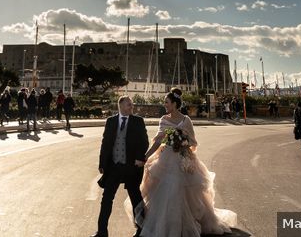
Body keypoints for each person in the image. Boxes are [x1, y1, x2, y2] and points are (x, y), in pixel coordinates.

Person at [132, 91, 237, 236]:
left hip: (182, 158)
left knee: (184, 193)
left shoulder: (186, 120)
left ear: (174, 104)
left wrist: (182, 143)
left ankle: (186, 225)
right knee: (167, 192)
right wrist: (145, 157)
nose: (165, 105)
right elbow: (157, 142)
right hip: (166, 159)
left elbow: (193, 142)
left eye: (167, 102)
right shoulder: (163, 119)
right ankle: (168, 226)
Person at [95, 96, 149, 237]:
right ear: (120, 106)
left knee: (136, 198)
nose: (132, 107)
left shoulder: (138, 121)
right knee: (106, 199)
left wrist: (140, 158)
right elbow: (105, 143)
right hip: (114, 166)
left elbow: (144, 142)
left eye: (132, 105)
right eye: (128, 105)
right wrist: (102, 163)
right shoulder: (111, 121)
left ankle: (142, 229)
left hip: (131, 166)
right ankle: (101, 231)